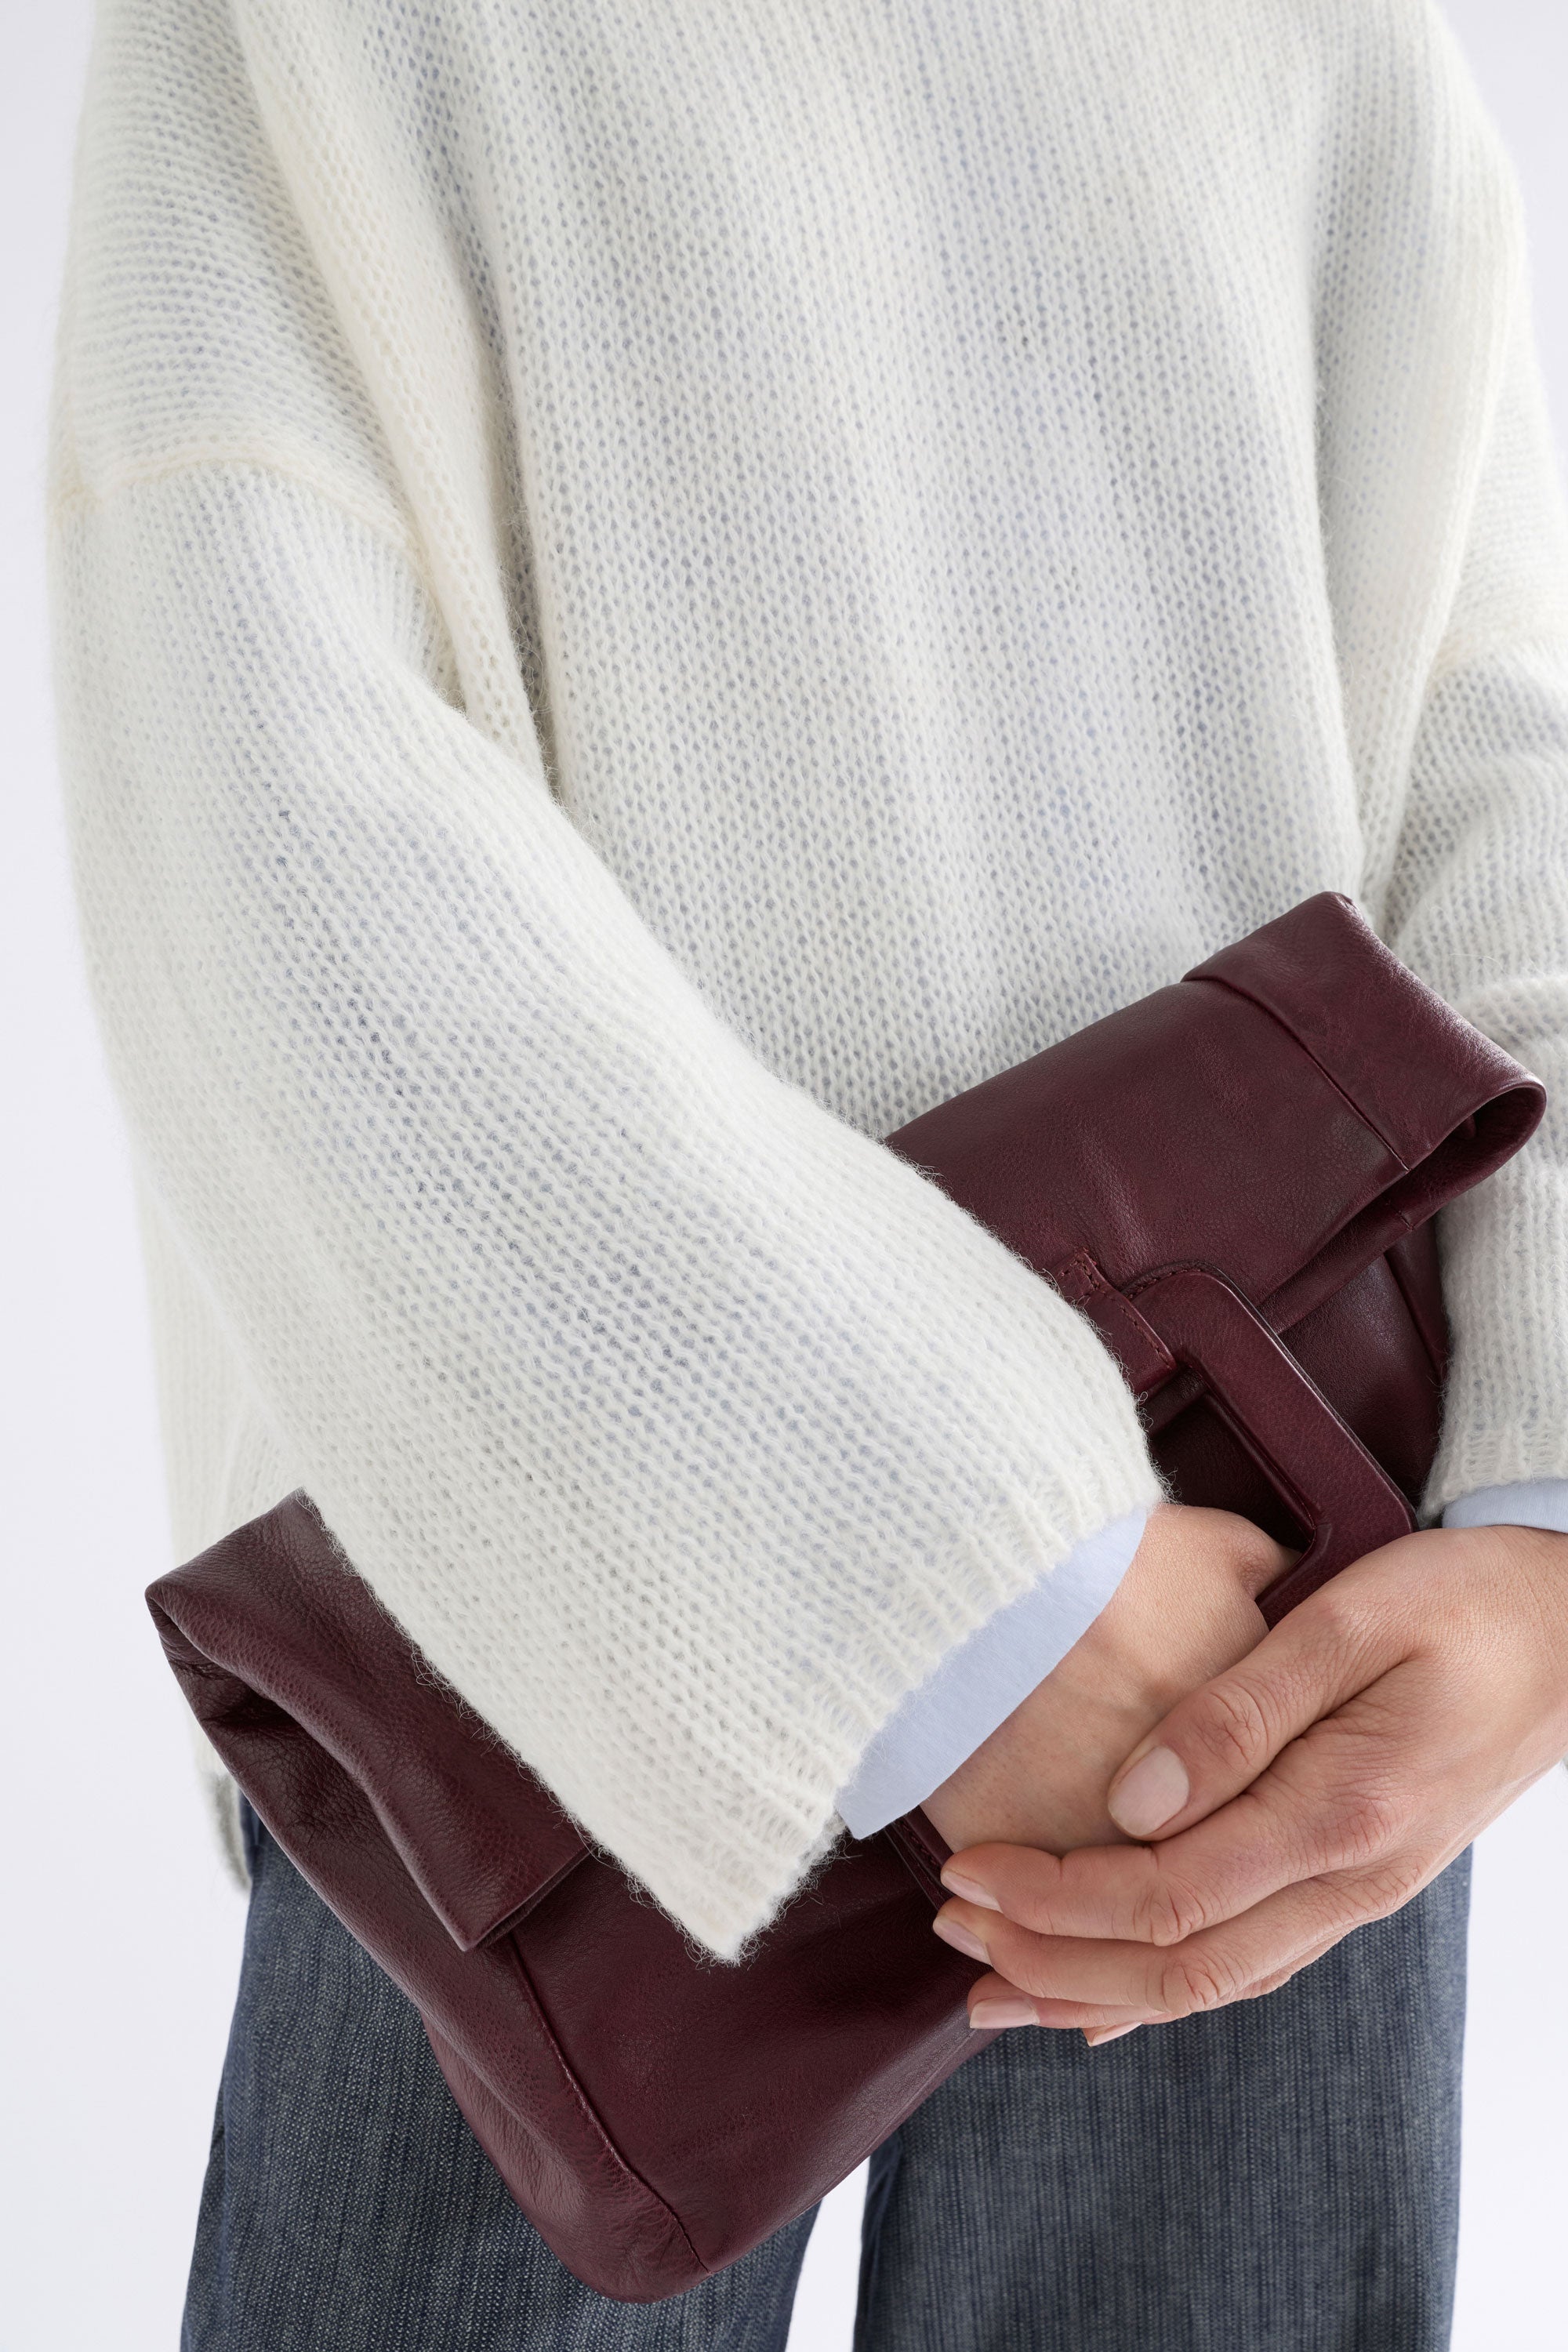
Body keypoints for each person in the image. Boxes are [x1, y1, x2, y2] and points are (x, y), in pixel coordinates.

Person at [47, 0, 1568, 2344]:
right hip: (564, 1602)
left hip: (1289, 1652)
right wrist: (970, 1577)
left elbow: (1506, 737)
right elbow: (278, 815)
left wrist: (1546, 1534)